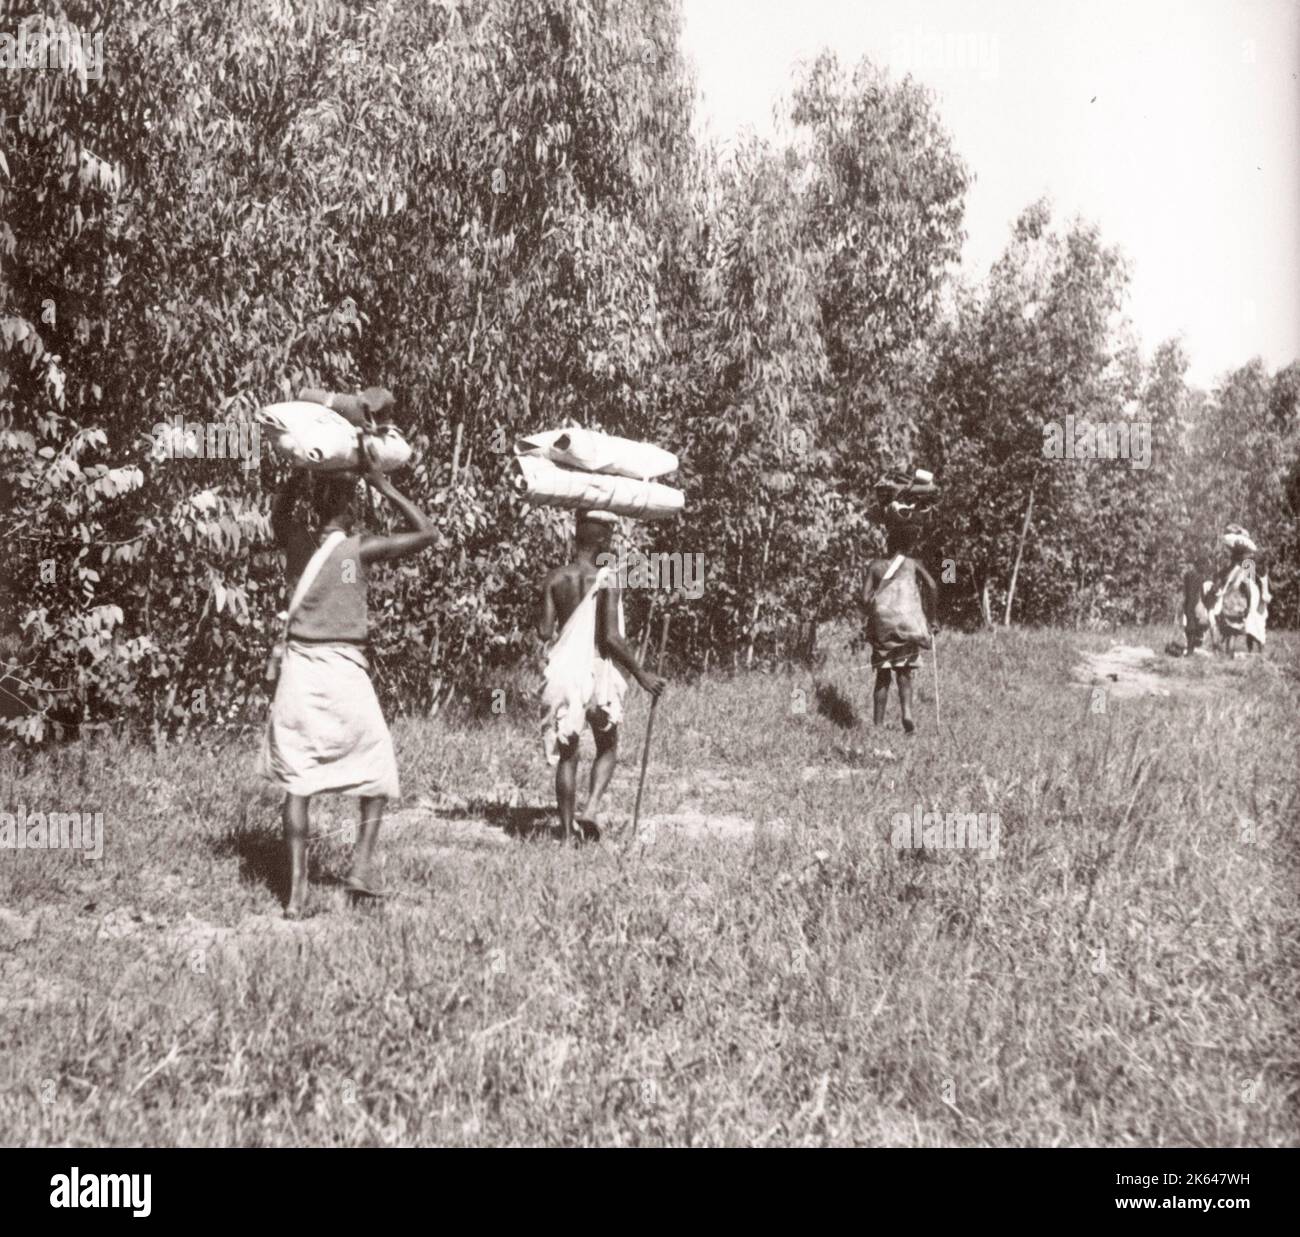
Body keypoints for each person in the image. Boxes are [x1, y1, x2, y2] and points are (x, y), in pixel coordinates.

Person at [259, 447, 437, 917]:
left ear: (314, 508)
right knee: (376, 769)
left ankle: (296, 897)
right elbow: (427, 533)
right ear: (353, 509)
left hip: (300, 668)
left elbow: (278, 513)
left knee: (299, 781)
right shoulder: (358, 550)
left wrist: (301, 472)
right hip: (344, 669)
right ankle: (360, 867)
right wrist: (385, 485)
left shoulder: (297, 541)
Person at [537, 510, 665, 840]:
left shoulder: (554, 578)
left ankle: (566, 834)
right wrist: (641, 674)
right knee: (607, 746)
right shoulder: (609, 579)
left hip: (565, 673)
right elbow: (610, 636)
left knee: (568, 752)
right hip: (597, 671)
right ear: (603, 541)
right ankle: (591, 809)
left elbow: (543, 631)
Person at [862, 523, 936, 734]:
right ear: (907, 546)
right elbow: (932, 585)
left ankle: (878, 727)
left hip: (883, 626)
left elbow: (864, 598)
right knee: (904, 672)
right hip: (908, 624)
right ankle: (907, 712)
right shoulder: (912, 564)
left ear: (888, 543)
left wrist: (875, 610)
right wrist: (932, 619)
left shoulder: (875, 566)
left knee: (882, 676)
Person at [1211, 524, 1271, 655]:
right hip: (1238, 599)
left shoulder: (1247, 564)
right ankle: (1252, 653)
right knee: (1240, 627)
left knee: (1253, 626)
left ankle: (1257, 653)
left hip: (1243, 598)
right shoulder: (1240, 565)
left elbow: (1251, 580)